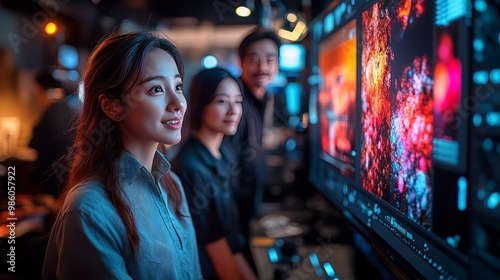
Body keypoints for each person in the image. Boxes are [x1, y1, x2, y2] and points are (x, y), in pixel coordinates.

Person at [42, 31, 202, 279]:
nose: (178, 103)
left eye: (178, 86)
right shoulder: (89, 210)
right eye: (157, 89)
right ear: (113, 106)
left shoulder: (172, 186)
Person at [171, 67, 257, 280]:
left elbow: (229, 240)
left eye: (238, 101)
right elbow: (215, 248)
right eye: (221, 101)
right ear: (200, 105)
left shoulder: (223, 154)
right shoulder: (190, 167)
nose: (233, 110)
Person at [222, 27, 280, 272]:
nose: (262, 66)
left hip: (247, 209)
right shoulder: (236, 102)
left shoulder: (263, 98)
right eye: (254, 59)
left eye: (269, 59)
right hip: (230, 216)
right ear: (241, 62)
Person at [29, 70, 81, 197]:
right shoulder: (68, 108)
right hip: (72, 175)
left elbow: (42, 147)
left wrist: (34, 177)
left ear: (42, 90)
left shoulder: (51, 112)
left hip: (56, 178)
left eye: (37, 93)